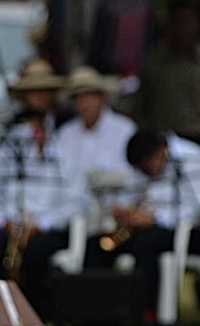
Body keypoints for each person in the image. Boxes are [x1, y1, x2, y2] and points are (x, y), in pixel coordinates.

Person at [84, 129, 200, 326]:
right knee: (97, 244)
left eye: (147, 167)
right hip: (150, 230)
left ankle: (146, 313)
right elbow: (134, 193)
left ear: (161, 151)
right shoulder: (145, 163)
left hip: (191, 233)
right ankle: (98, 313)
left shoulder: (193, 159)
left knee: (146, 242)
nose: (144, 173)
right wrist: (124, 211)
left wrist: (154, 218)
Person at [0, 77, 89, 316]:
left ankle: (36, 312)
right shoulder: (6, 152)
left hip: (47, 227)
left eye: (37, 127)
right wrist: (3, 220)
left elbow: (77, 200)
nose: (32, 133)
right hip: (11, 225)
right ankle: (1, 311)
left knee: (37, 252)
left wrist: (42, 223)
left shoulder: (63, 154)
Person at [130, 0, 200, 167]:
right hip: (165, 143)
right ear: (168, 25)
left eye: (187, 21)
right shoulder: (153, 63)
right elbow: (141, 106)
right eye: (176, 21)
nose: (182, 28)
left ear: (197, 23)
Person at [55, 65, 139, 226]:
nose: (83, 103)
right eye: (77, 98)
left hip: (114, 216)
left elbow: (133, 178)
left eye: (88, 96)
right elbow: (61, 177)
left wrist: (122, 207)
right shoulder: (65, 134)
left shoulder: (124, 130)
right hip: (72, 216)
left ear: (102, 97)